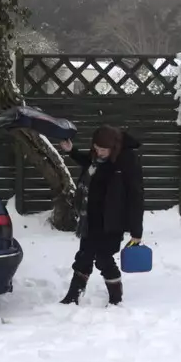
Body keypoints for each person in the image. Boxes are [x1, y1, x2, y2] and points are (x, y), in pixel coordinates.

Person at [58, 124, 145, 305]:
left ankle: (116, 298)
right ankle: (73, 295)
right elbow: (88, 162)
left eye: (103, 150)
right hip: (90, 218)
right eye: (96, 149)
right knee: (84, 256)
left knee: (104, 259)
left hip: (112, 221)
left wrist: (137, 231)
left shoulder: (127, 161)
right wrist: (72, 151)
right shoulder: (96, 158)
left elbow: (136, 197)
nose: (98, 153)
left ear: (114, 148)